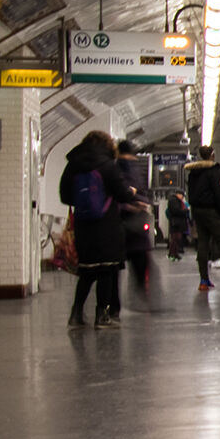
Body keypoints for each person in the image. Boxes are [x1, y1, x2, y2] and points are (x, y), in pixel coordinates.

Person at [61, 130, 142, 327]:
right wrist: (131, 191)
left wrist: (85, 204)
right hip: (107, 224)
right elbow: (122, 194)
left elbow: (65, 196)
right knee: (107, 269)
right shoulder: (108, 165)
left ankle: (76, 314)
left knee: (87, 271)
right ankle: (102, 315)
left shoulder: (73, 165)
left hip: (83, 225)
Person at [185, 148, 220, 291]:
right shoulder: (215, 171)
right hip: (214, 213)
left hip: (198, 212)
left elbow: (190, 195)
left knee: (202, 245)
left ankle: (204, 280)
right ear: (212, 155)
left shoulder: (193, 173)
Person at [116, 139, 155, 295]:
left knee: (116, 263)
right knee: (139, 255)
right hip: (134, 221)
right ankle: (142, 288)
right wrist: (140, 203)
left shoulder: (116, 167)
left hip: (121, 221)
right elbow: (140, 191)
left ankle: (114, 300)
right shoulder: (134, 169)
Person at [164, 191, 192, 260]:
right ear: (178, 195)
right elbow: (176, 211)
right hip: (176, 222)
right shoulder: (174, 201)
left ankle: (173, 253)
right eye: (182, 195)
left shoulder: (175, 200)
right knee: (176, 238)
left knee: (176, 238)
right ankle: (173, 254)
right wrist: (186, 210)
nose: (182, 197)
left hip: (177, 222)